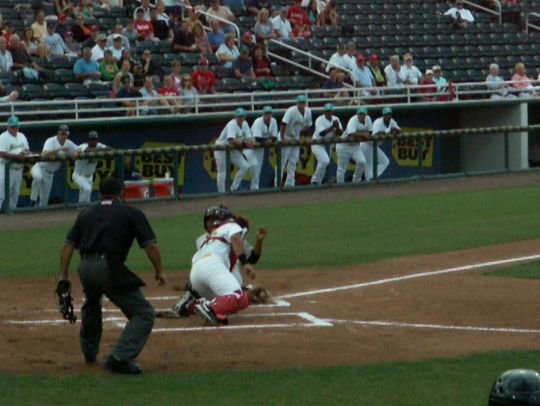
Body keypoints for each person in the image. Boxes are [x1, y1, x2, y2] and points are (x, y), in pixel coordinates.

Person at [59, 176, 166, 374]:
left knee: (92, 302)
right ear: (122, 193)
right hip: (107, 266)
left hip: (84, 267)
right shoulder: (131, 212)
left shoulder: (86, 213)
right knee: (144, 313)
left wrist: (63, 276)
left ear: (99, 193)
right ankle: (120, 356)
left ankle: (89, 352)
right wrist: (159, 271)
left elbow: (68, 245)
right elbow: (150, 246)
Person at [186, 206, 255, 325]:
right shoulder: (232, 226)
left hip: (196, 272)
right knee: (236, 296)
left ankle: (190, 304)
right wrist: (245, 263)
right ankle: (209, 307)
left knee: (243, 300)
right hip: (212, 266)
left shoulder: (211, 235)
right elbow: (235, 238)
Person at [30, 125, 78, 208]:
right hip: (40, 167)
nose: (63, 136)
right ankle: (33, 200)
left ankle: (38, 218)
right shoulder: (51, 141)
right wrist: (58, 150)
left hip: (49, 174)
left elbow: (80, 148)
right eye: (61, 134)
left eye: (65, 134)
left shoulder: (68, 143)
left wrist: (77, 152)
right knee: (37, 177)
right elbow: (44, 154)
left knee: (44, 203)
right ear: (58, 134)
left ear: (67, 135)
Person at [214, 108, 256, 193]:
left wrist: (245, 142)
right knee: (222, 173)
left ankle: (233, 189)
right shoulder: (232, 124)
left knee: (245, 166)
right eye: (238, 116)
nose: (240, 118)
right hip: (221, 148)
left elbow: (250, 140)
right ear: (235, 117)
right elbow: (231, 140)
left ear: (245, 117)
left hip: (231, 149)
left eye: (242, 116)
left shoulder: (245, 124)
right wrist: (244, 142)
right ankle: (221, 193)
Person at [276, 95, 313, 187]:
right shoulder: (291, 111)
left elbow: (308, 126)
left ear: (305, 103)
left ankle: (290, 183)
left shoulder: (308, 111)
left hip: (295, 138)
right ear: (297, 103)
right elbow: (283, 124)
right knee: (282, 161)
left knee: (294, 161)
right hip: (286, 136)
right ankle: (277, 184)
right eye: (300, 103)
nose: (302, 104)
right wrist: (282, 138)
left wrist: (307, 137)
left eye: (303, 103)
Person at [0, 116, 29, 211]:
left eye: (16, 126)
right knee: (1, 194)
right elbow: (1, 152)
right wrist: (16, 156)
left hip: (18, 169)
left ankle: (11, 219)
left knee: (15, 195)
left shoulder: (22, 136)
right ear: (8, 126)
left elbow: (27, 150)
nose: (14, 128)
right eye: (12, 126)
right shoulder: (3, 137)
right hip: (5, 168)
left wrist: (25, 154)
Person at [361, 106, 398, 180]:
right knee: (369, 167)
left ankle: (372, 178)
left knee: (385, 161)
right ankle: (369, 183)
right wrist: (388, 131)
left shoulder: (392, 121)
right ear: (383, 115)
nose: (388, 116)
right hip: (367, 145)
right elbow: (374, 135)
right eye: (387, 114)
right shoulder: (378, 122)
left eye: (390, 114)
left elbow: (398, 130)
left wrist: (394, 131)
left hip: (373, 146)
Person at [72, 131, 110, 203]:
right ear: (88, 140)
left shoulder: (99, 145)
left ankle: (80, 209)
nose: (93, 141)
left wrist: (99, 149)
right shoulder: (82, 146)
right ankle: (83, 208)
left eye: (95, 139)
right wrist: (99, 150)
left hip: (90, 176)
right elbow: (85, 151)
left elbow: (110, 149)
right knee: (87, 189)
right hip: (78, 175)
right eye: (91, 139)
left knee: (84, 194)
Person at [336, 106, 370, 184]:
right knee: (341, 168)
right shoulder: (353, 120)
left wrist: (365, 135)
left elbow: (370, 132)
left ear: (366, 115)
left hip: (355, 147)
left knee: (362, 162)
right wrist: (363, 134)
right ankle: (339, 186)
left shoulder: (368, 120)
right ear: (357, 114)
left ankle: (356, 181)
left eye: (363, 114)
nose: (361, 115)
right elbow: (350, 134)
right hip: (343, 146)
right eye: (360, 114)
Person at [311, 103, 342, 185]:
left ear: (332, 112)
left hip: (329, 145)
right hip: (317, 143)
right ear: (324, 111)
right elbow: (322, 133)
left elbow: (340, 133)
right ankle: (315, 180)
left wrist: (337, 127)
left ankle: (319, 182)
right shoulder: (319, 119)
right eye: (327, 111)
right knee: (325, 161)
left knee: (324, 163)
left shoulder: (336, 119)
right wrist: (333, 126)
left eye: (330, 111)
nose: (329, 112)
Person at [248, 105, 277, 190]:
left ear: (272, 114)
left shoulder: (273, 121)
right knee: (252, 166)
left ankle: (254, 188)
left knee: (258, 167)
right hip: (250, 146)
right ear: (263, 114)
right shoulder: (258, 121)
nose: (268, 115)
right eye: (266, 114)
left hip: (260, 147)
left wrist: (270, 140)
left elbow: (274, 137)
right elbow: (257, 137)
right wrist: (267, 141)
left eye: (269, 113)